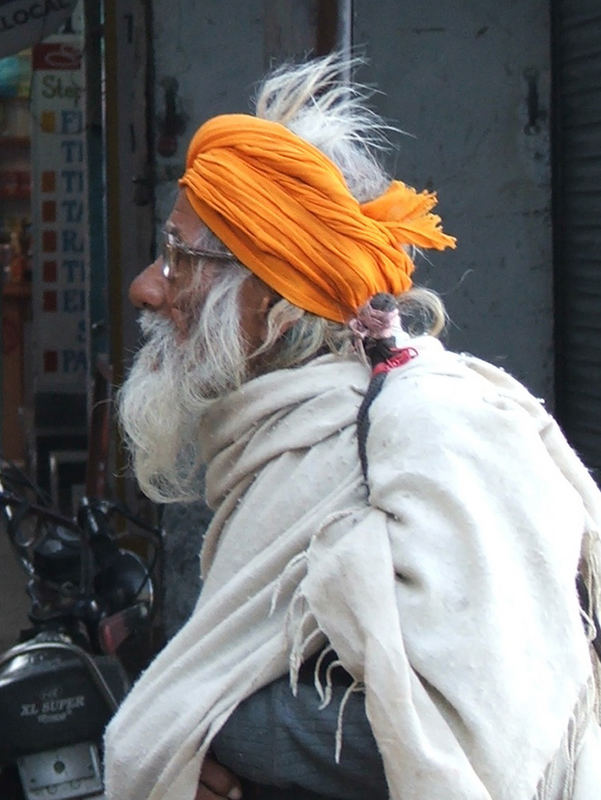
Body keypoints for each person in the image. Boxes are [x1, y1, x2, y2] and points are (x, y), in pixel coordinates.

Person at [103, 53, 601, 800]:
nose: (146, 287)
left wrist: (212, 731)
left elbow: (473, 732)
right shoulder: (289, 437)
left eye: (179, 258)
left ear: (274, 297)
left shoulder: (430, 427)